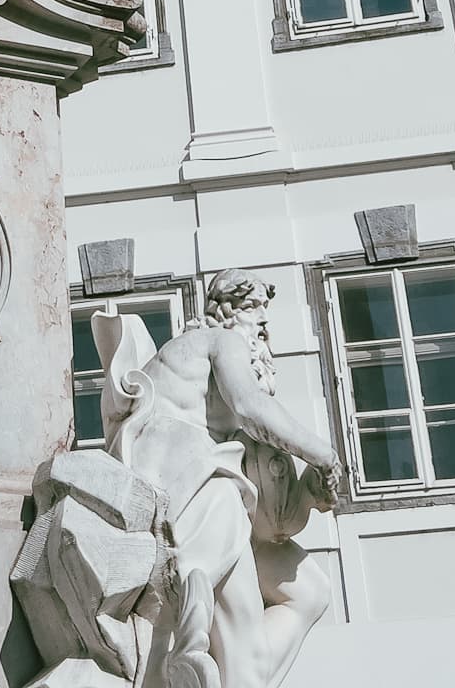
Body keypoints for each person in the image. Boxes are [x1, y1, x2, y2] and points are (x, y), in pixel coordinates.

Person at [94, 269, 340, 688]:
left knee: (310, 591)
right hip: (187, 492)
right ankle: (208, 662)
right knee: (246, 653)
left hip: (206, 494)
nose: (265, 332)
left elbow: (266, 475)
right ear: (234, 312)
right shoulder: (221, 341)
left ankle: (226, 670)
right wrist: (324, 456)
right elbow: (250, 408)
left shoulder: (210, 380)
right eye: (259, 318)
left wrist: (309, 494)